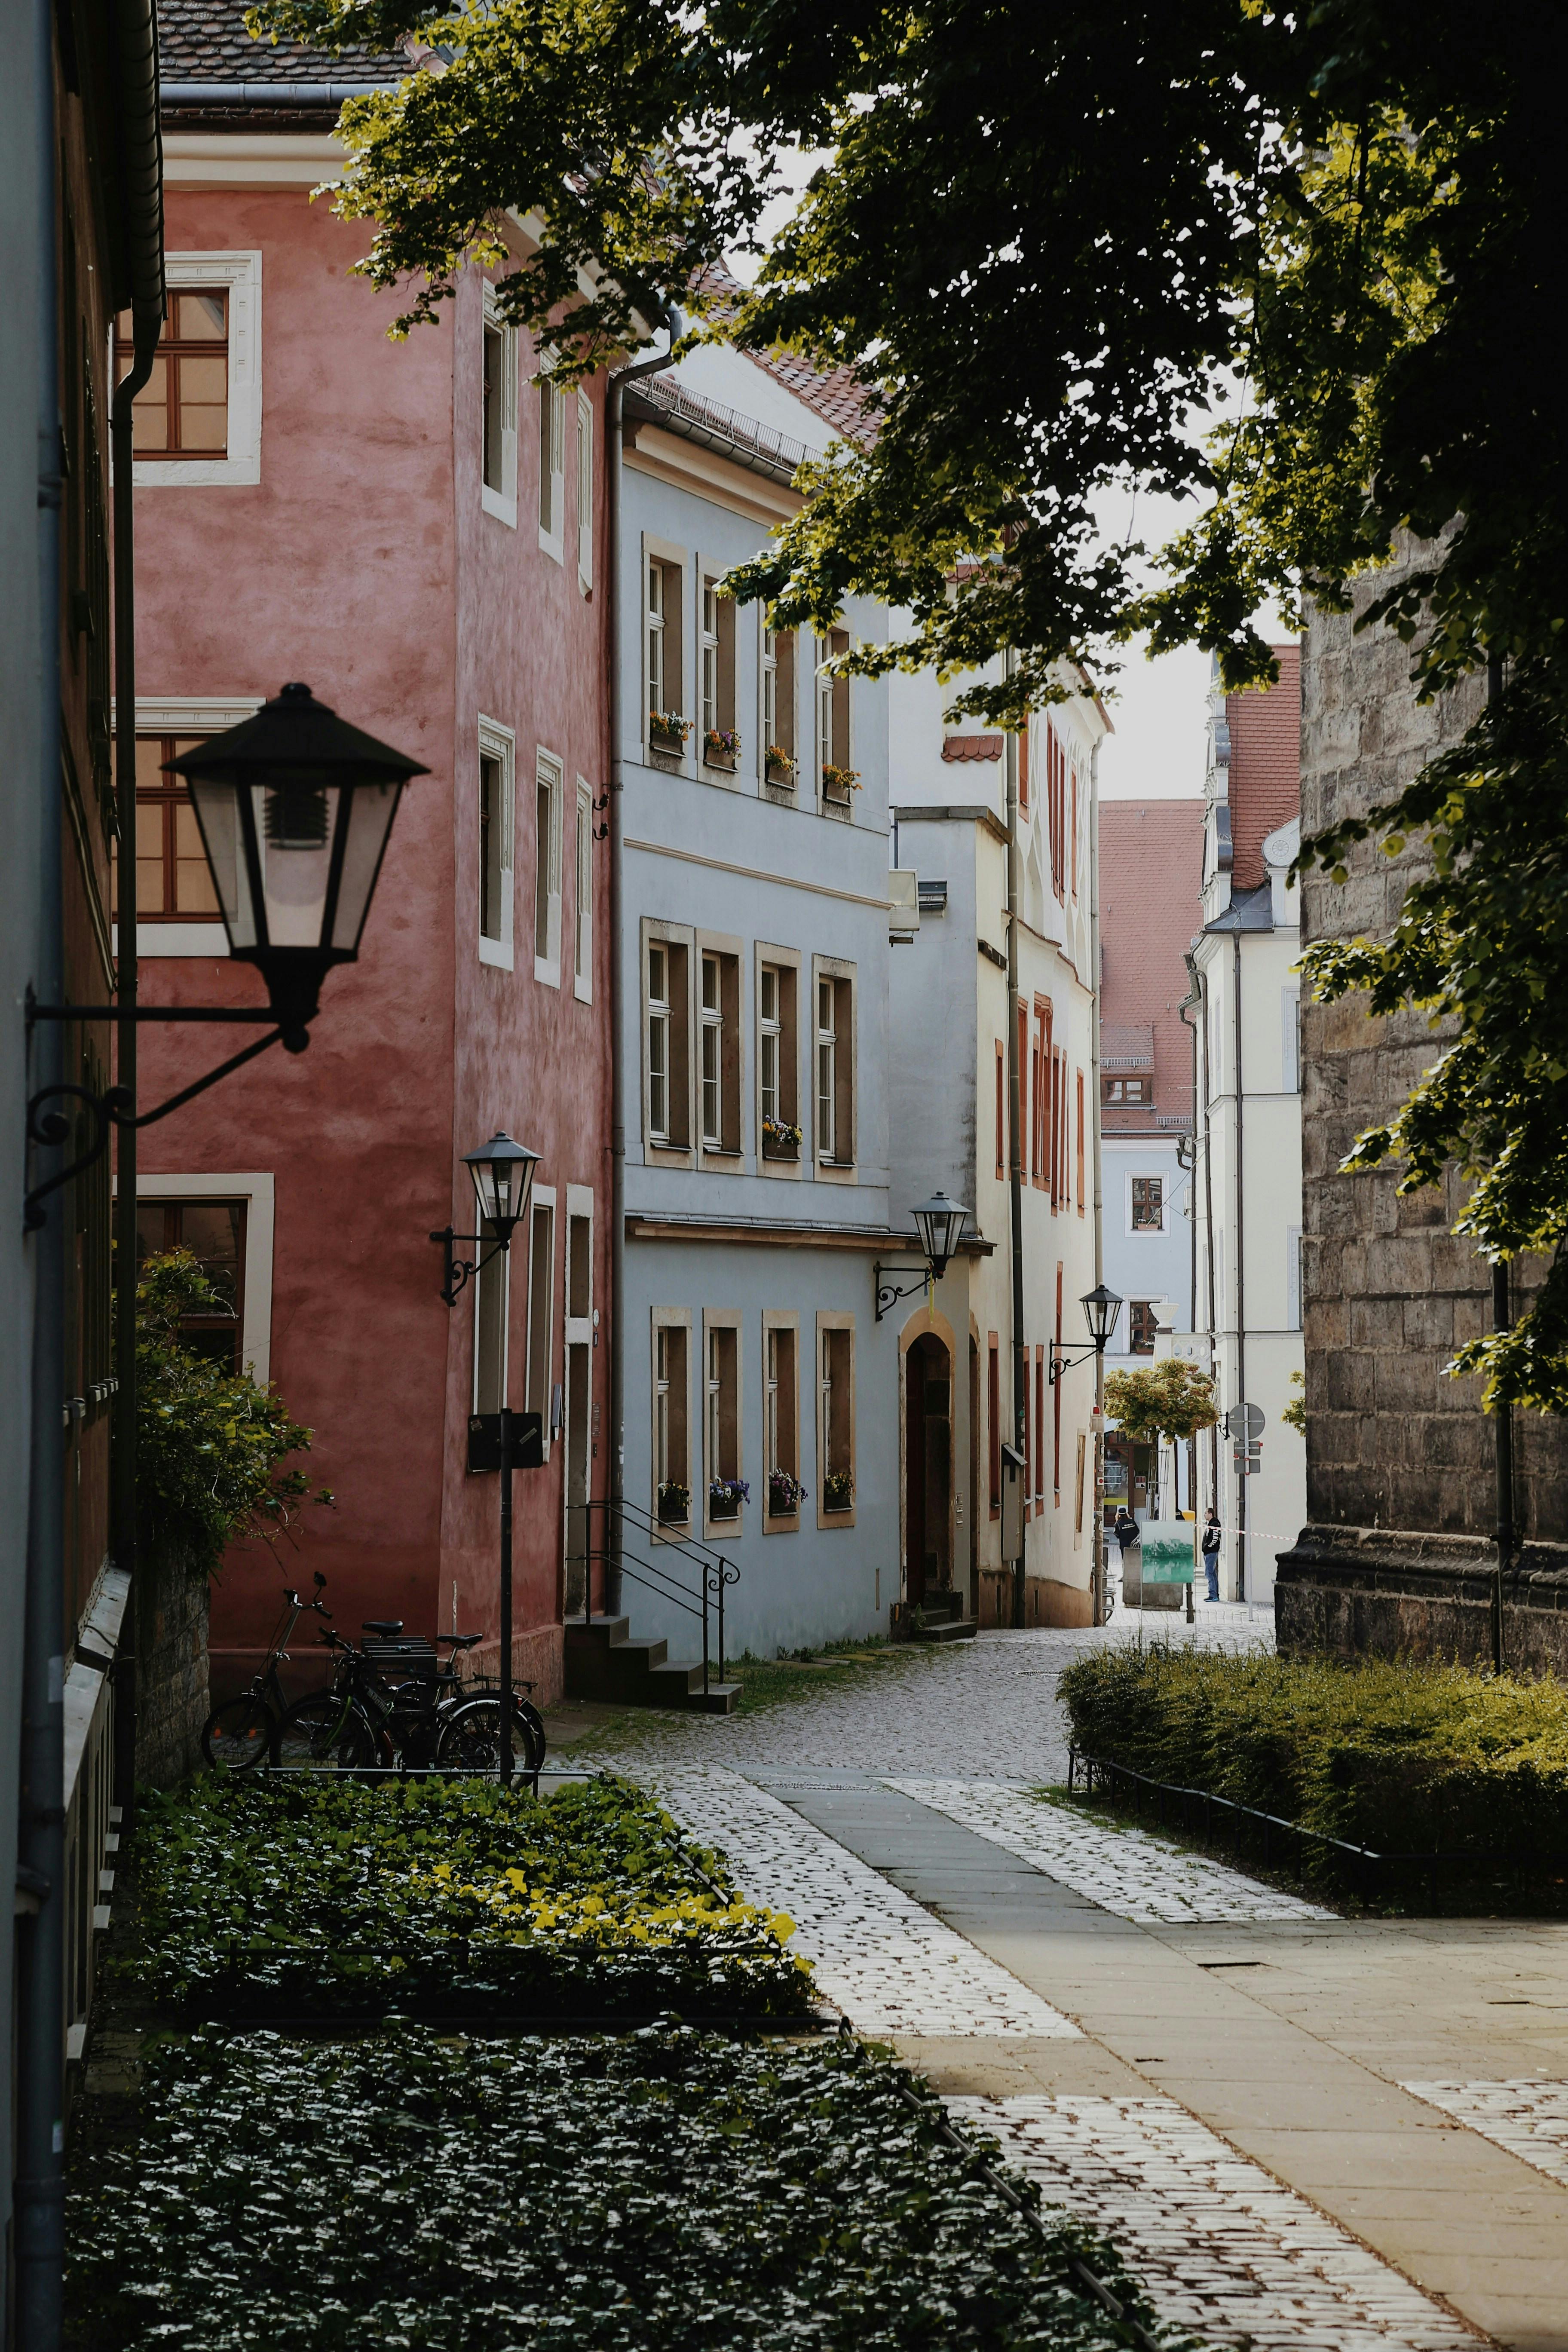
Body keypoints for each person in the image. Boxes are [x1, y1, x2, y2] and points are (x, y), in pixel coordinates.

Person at [1200, 1507, 1223, 1602]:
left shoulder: (1214, 1524)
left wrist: (1208, 1547)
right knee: (1212, 1574)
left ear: (1211, 1514)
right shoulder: (1210, 1524)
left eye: (1206, 1513)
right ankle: (1215, 1594)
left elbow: (1215, 1539)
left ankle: (1213, 1595)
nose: (1204, 1515)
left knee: (1209, 1573)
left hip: (1211, 1553)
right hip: (1209, 1552)